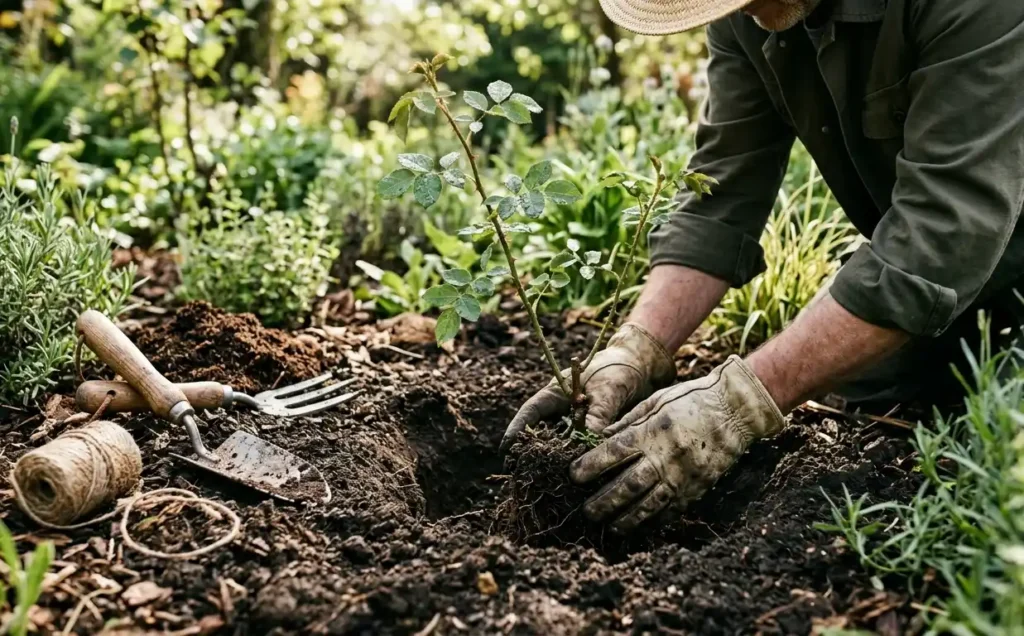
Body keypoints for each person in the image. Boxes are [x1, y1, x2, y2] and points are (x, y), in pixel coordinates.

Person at [501, 0, 1024, 534]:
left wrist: (738, 403)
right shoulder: (748, 15)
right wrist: (636, 348)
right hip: (949, 281)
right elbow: (722, 192)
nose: (740, 12)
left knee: (987, 470)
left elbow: (943, 232)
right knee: (873, 428)